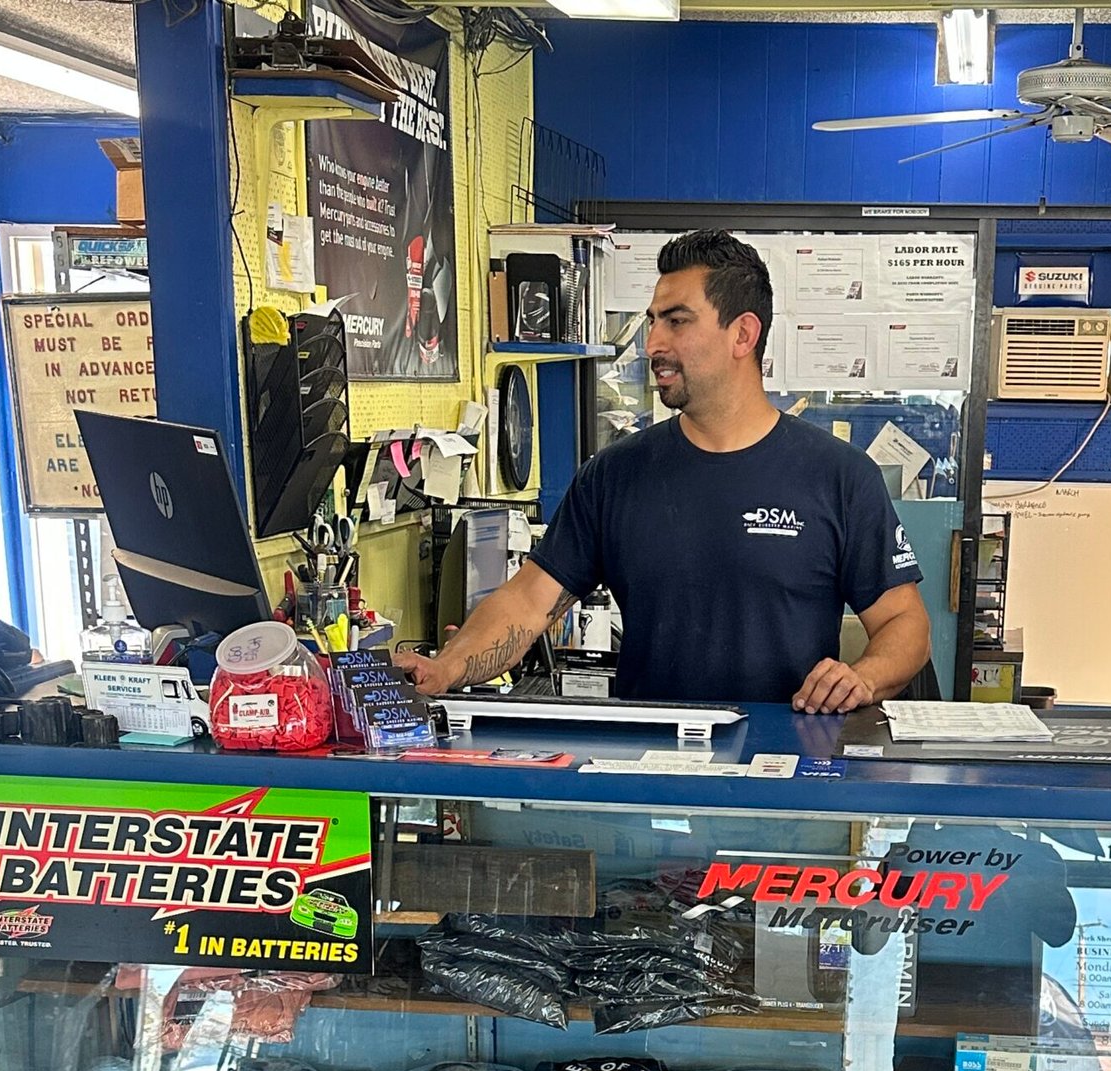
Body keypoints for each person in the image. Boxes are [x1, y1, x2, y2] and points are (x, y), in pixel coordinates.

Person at [398, 230, 932, 713]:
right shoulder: (613, 475)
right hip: (653, 766)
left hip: (787, 766)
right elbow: (528, 601)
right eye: (653, 321)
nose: (653, 343)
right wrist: (446, 667)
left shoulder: (839, 477)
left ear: (743, 335)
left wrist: (861, 678)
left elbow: (904, 624)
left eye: (677, 321)